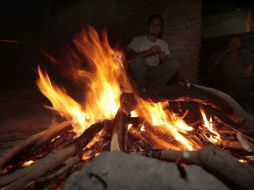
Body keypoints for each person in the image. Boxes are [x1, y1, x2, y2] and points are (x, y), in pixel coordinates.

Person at [127, 14, 179, 94]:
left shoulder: (163, 43)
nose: (156, 26)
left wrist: (163, 55)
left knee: (174, 64)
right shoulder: (138, 40)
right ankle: (142, 88)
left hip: (155, 70)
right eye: (153, 24)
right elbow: (129, 57)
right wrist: (149, 52)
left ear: (161, 29)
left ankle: (155, 88)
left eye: (158, 25)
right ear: (148, 26)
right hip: (141, 70)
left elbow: (168, 61)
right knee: (137, 60)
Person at [209, 36, 254, 104]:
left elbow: (252, 62)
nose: (234, 44)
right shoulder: (222, 54)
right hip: (228, 88)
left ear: (240, 44)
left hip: (243, 87)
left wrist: (250, 68)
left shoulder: (246, 53)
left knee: (243, 106)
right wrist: (224, 53)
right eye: (232, 42)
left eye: (236, 42)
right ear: (228, 44)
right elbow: (214, 64)